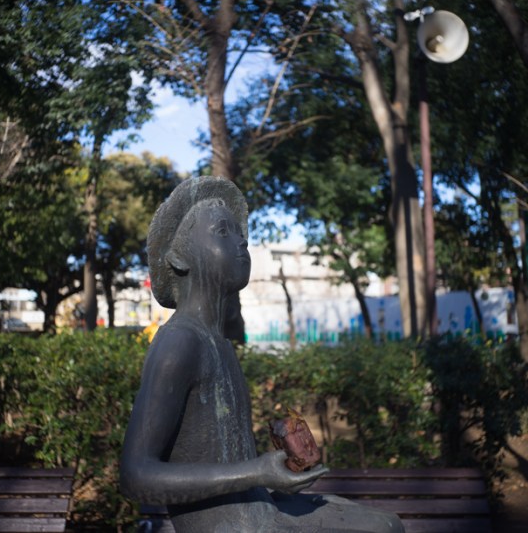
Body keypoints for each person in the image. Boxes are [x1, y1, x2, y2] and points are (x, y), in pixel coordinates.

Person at [120, 176, 403, 532]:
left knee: (383, 522)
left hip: (259, 512)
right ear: (179, 257)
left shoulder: (218, 342)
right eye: (223, 231)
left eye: (240, 233)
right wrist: (256, 472)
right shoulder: (180, 342)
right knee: (383, 529)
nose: (241, 241)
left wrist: (275, 475)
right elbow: (135, 475)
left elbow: (230, 464)